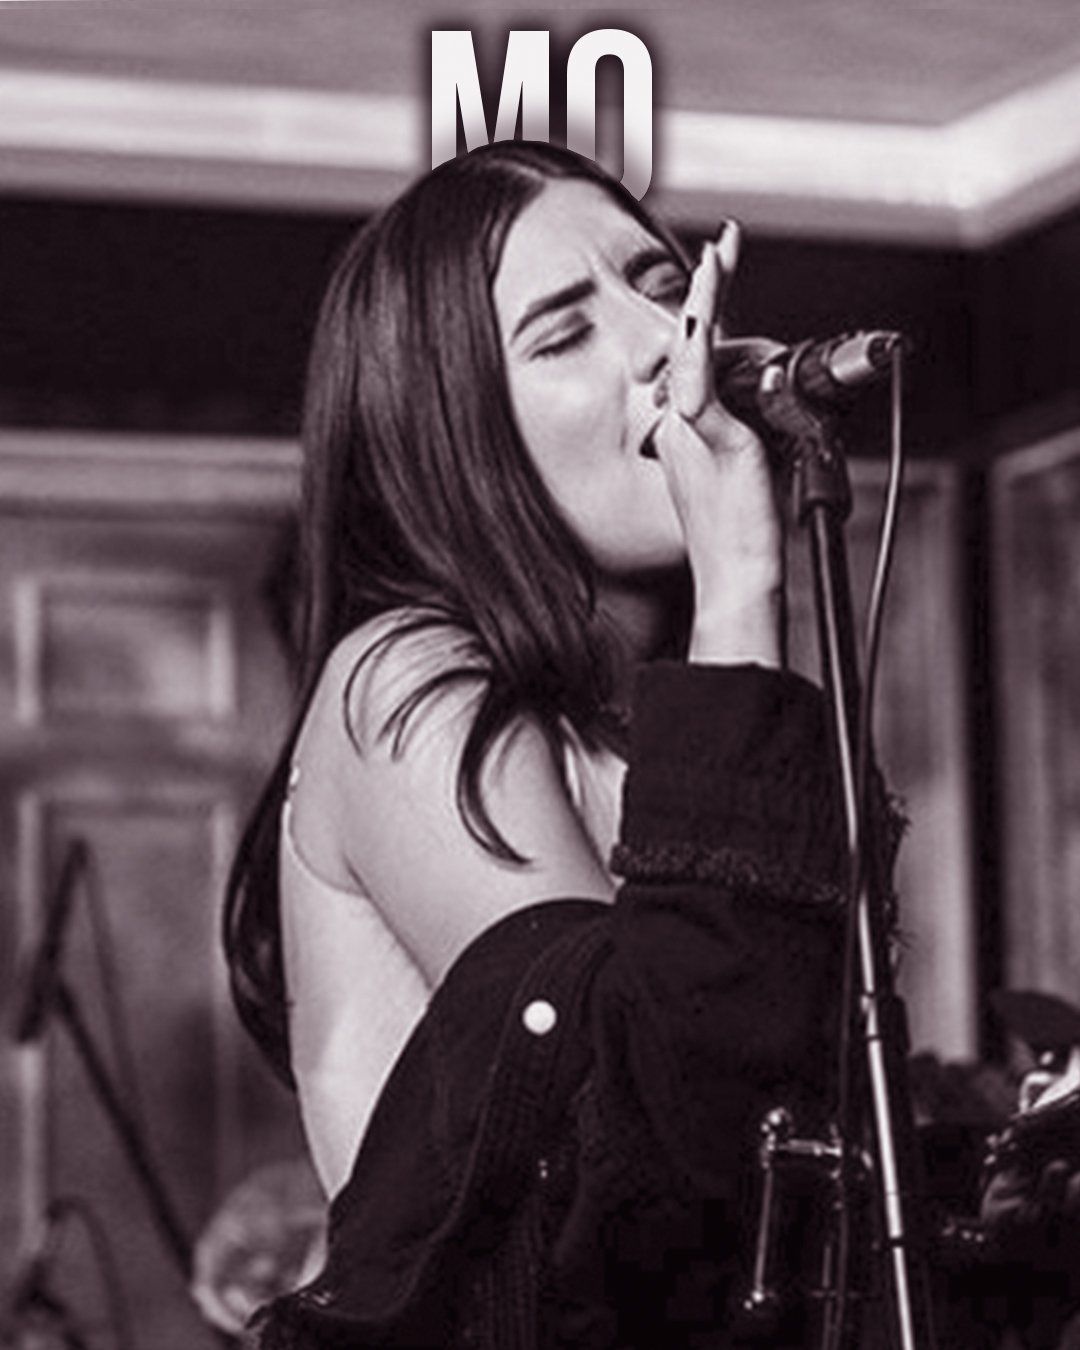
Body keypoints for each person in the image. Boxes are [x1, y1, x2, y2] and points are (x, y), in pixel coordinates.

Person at [224, 141, 874, 1349]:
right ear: (454, 434)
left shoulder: (650, 728)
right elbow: (646, 1150)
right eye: (564, 334)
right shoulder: (402, 678)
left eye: (666, 289)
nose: (662, 344)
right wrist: (741, 579)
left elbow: (769, 1157)